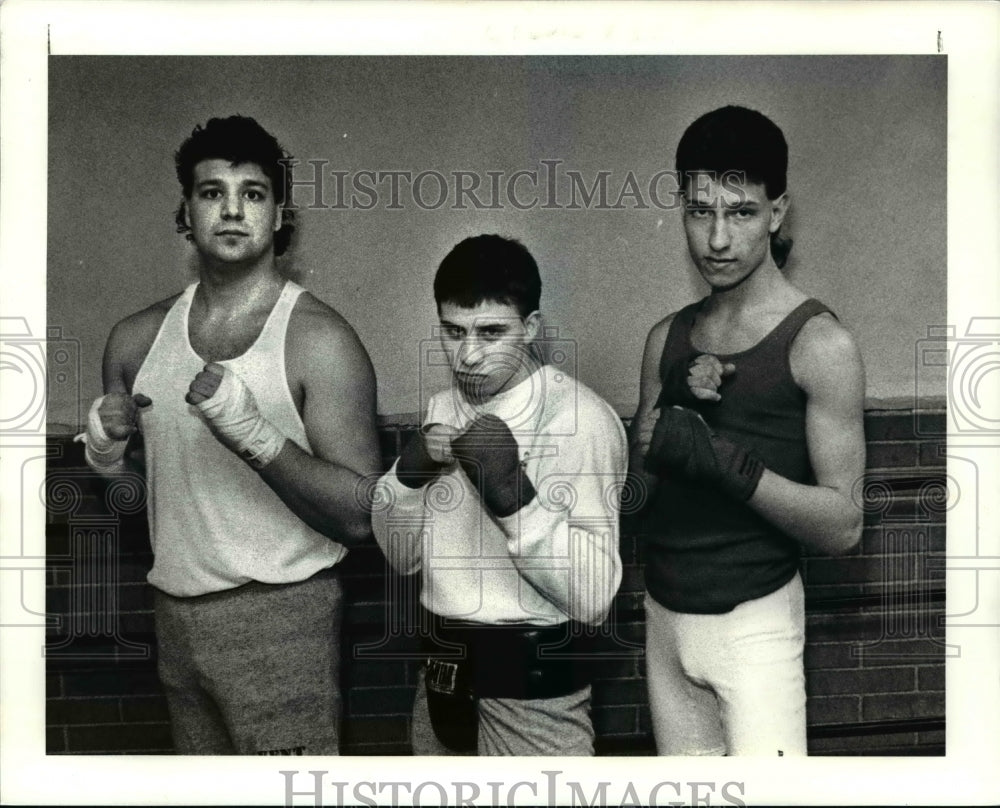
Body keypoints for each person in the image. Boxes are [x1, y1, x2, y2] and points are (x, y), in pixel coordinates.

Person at [78, 115, 380, 755]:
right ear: (184, 213)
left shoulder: (319, 339)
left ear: (280, 216)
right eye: (212, 192)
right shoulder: (136, 340)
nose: (233, 210)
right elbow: (143, 499)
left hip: (283, 614)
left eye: (253, 192)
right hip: (175, 614)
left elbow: (361, 517)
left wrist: (253, 434)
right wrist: (106, 458)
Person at [629, 105, 866, 756]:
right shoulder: (665, 340)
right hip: (664, 620)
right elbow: (636, 504)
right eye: (700, 211)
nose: (717, 239)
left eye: (740, 212)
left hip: (754, 626)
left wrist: (728, 466)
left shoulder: (819, 344)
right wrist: (669, 407)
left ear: (777, 211)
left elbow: (845, 525)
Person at [371, 234, 627, 756]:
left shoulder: (579, 420)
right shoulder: (442, 408)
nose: (468, 355)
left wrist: (515, 498)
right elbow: (403, 560)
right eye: (452, 331)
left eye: (492, 333)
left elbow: (595, 599)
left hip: (533, 696)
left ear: (530, 328)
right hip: (442, 680)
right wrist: (403, 480)